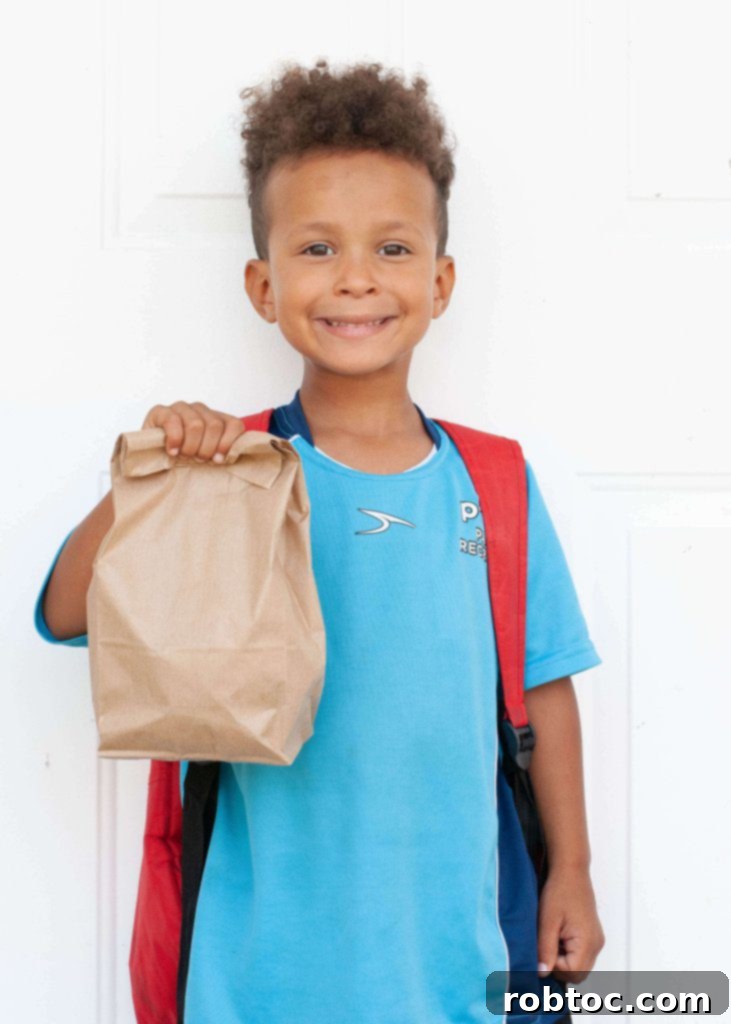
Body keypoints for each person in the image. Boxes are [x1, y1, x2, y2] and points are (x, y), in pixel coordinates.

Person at [34, 58, 605, 1024]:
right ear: (261, 285)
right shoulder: (230, 472)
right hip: (256, 974)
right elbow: (64, 613)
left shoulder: (494, 482)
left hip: (453, 963)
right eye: (315, 249)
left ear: (441, 278)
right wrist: (157, 471)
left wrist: (575, 870)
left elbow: (541, 687)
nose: (354, 279)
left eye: (390, 248)